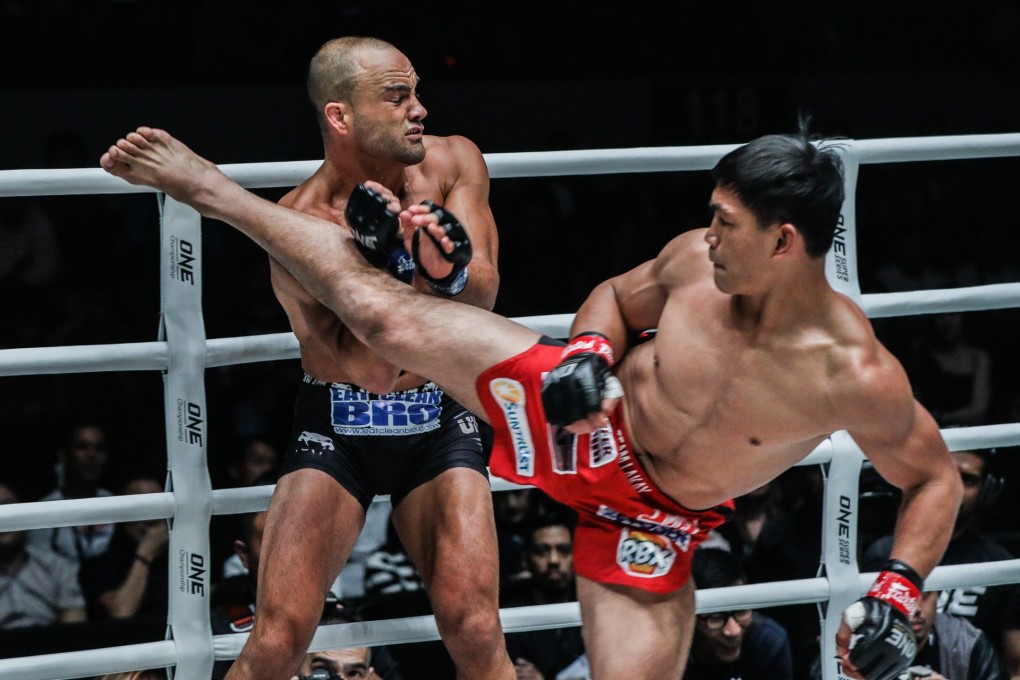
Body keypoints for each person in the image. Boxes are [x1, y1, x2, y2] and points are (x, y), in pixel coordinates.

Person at [99, 125, 965, 680]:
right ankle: (212, 189)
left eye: (726, 222)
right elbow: (618, 299)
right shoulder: (696, 265)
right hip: (583, 418)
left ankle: (424, 268)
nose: (707, 233)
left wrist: (896, 589)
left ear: (784, 241)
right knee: (380, 313)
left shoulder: (853, 371)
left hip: (652, 518)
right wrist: (589, 352)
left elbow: (934, 481)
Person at [177, 37, 510, 680]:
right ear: (340, 116)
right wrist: (391, 263)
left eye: (415, 91)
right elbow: (369, 368)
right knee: (277, 642)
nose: (419, 108)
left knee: (474, 627)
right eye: (397, 96)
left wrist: (443, 276)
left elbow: (484, 295)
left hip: (439, 414)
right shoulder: (298, 221)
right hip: (341, 422)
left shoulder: (455, 161)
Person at [863, 448, 1020, 677]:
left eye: (967, 479)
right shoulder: (884, 553)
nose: (954, 489)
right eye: (946, 475)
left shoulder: (999, 566)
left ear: (987, 491)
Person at [682, 548, 793, 680]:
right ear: (690, 619)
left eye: (741, 611)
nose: (733, 631)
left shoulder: (766, 643)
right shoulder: (671, 651)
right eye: (716, 618)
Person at [501, 514, 586, 680]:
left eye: (564, 550)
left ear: (577, 556)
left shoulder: (594, 611)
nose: (553, 560)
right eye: (541, 551)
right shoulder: (509, 617)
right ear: (525, 560)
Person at [78, 473, 168, 622]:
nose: (148, 518)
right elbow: (121, 612)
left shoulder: (181, 560)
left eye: (155, 507)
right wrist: (145, 553)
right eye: (140, 507)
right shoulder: (97, 568)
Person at [26, 422, 116, 570]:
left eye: (99, 448)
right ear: (64, 455)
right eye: (82, 447)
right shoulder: (45, 509)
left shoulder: (118, 503)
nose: (91, 454)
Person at [0, 481, 86, 629]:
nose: (2, 517)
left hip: (51, 644)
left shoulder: (57, 566)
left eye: (7, 506)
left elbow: (75, 619)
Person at [895, 590, 1008, 680]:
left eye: (925, 594)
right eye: (904, 595)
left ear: (937, 595)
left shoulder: (966, 642)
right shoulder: (877, 644)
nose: (915, 609)